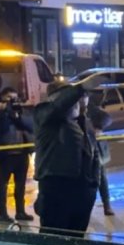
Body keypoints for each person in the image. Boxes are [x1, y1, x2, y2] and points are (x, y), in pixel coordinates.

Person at [33, 83, 102, 237]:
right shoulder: (45, 114)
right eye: (74, 100)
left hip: (83, 190)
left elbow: (95, 154)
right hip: (57, 187)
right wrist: (79, 89)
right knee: (54, 239)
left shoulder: (83, 122)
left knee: (76, 239)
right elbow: (58, 107)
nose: (76, 103)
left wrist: (93, 184)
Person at [0, 88, 34, 223]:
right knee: (3, 183)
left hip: (22, 153)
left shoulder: (22, 112)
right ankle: (2, 214)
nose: (12, 101)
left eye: (15, 98)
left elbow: (30, 126)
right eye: (9, 98)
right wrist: (5, 113)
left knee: (20, 184)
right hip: (6, 154)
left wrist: (17, 116)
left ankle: (20, 211)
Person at [87, 93, 116, 216]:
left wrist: (97, 127)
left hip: (96, 149)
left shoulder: (91, 109)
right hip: (83, 149)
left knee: (101, 177)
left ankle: (106, 205)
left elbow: (107, 118)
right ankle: (87, 208)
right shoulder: (73, 110)